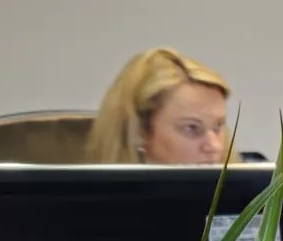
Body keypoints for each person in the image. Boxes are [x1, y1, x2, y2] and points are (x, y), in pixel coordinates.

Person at [90, 48, 232, 164]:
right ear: (140, 131)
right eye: (191, 128)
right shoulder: (88, 197)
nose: (215, 146)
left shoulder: (243, 195)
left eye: (218, 127)